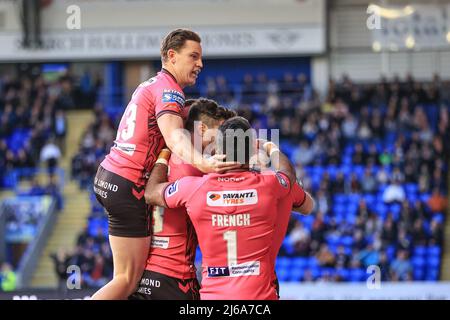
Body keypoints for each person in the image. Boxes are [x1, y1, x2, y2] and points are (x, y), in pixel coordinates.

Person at [92, 29, 239, 300]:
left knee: (127, 280)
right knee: (125, 279)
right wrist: (206, 164)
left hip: (110, 175)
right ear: (171, 56)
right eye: (193, 56)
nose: (200, 64)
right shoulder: (171, 91)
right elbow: (174, 136)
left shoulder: (152, 84)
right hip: (129, 186)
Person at [145, 116, 313, 299]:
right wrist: (269, 146)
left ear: (217, 150)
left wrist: (165, 152)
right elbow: (288, 174)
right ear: (251, 153)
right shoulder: (269, 184)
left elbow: (151, 193)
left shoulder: (194, 188)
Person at [129, 98, 236, 300]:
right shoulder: (199, 171)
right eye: (220, 132)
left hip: (146, 274)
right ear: (202, 129)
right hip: (176, 278)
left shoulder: (161, 161)